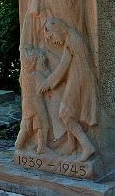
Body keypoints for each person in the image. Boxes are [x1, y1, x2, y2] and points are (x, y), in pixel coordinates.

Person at [39, 18, 98, 161]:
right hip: (80, 78)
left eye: (52, 36)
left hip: (79, 80)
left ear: (58, 29)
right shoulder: (72, 37)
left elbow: (63, 67)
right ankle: (72, 145)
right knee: (70, 115)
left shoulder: (72, 40)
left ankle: (87, 146)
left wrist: (48, 82)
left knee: (65, 114)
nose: (53, 41)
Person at [15, 47, 52, 154]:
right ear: (34, 63)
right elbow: (47, 85)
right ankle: (42, 146)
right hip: (37, 104)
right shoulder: (36, 75)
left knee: (26, 124)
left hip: (26, 104)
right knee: (43, 124)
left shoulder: (23, 75)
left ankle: (19, 143)